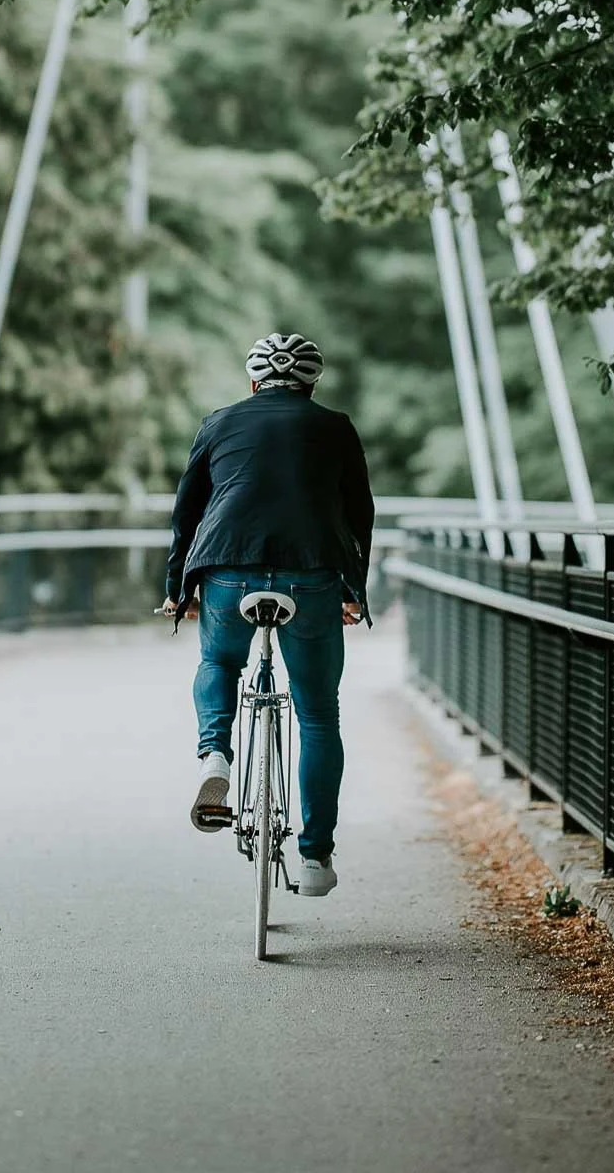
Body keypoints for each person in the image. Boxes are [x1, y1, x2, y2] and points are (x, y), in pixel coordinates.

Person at [161, 330, 374, 899]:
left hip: (228, 569)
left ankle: (216, 757)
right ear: (311, 384)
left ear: (253, 382)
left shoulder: (218, 422)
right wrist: (356, 589)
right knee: (318, 715)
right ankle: (315, 858)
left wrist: (177, 587)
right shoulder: (335, 427)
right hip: (313, 575)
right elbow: (360, 515)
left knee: (219, 660)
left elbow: (188, 509)